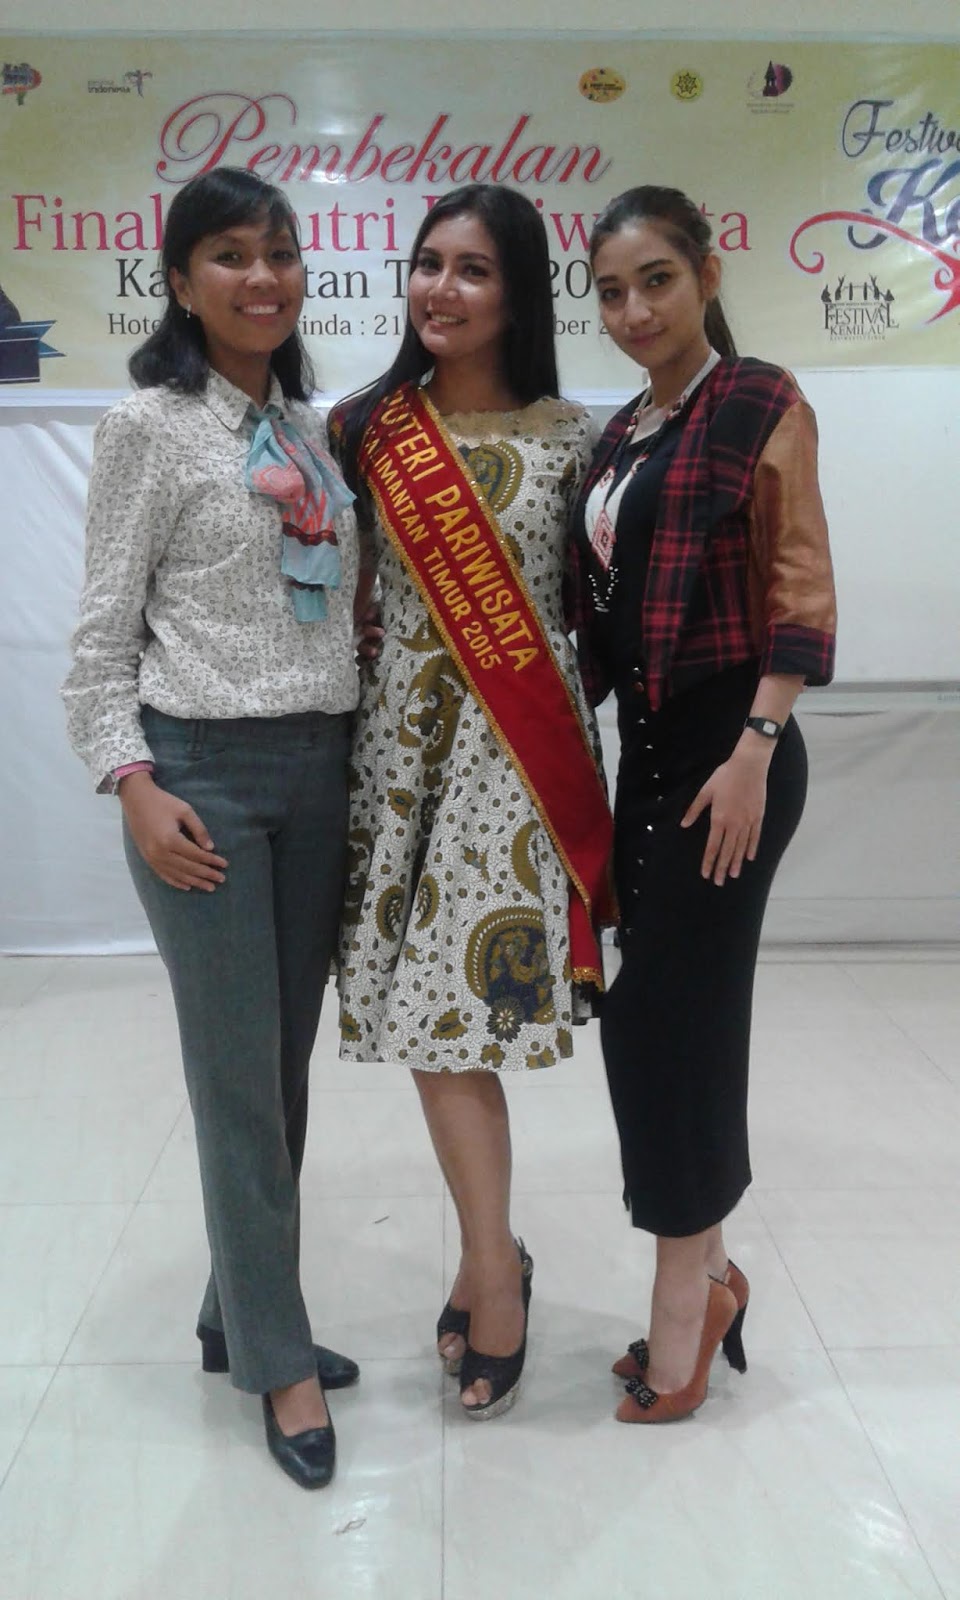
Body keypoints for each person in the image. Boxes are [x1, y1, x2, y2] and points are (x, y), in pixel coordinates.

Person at [62, 167, 363, 1489]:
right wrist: (133, 785)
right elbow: (98, 640)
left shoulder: (308, 427)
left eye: (280, 253)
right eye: (231, 255)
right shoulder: (148, 427)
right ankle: (276, 1362)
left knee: (280, 1068)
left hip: (320, 770)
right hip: (203, 780)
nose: (263, 277)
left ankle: (234, 1307)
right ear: (181, 282)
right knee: (237, 1077)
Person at [331, 183, 614, 1420]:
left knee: (453, 1021)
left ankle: (492, 1269)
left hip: (512, 765)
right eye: (427, 263)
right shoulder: (363, 428)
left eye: (473, 269)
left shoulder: (577, 438)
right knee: (423, 1023)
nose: (439, 289)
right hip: (397, 759)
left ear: (519, 293)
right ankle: (494, 1256)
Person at [569, 186, 837, 1423]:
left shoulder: (758, 400)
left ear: (708, 273)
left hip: (736, 752)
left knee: (680, 1017)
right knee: (646, 1020)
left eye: (657, 280)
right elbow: (603, 611)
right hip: (649, 758)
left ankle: (684, 1298)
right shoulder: (621, 434)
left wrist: (757, 744)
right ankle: (711, 1270)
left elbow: (799, 582)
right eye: (612, 291)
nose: (634, 310)